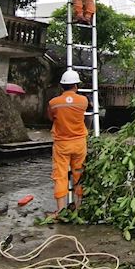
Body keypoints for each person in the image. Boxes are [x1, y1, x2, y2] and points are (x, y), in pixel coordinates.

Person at [46, 69, 89, 215]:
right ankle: (78, 207)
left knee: (60, 176)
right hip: (79, 143)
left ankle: (61, 211)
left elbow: (51, 118)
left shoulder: (53, 103)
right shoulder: (83, 101)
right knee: (79, 173)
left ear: (61, 86)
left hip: (62, 144)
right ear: (76, 86)